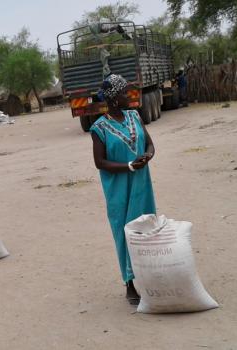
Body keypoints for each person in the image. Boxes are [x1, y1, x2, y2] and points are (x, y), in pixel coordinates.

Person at [90, 74, 156, 305]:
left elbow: (149, 142)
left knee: (146, 227)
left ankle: (149, 276)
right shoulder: (99, 128)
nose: (129, 96)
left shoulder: (134, 116)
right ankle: (130, 283)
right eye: (124, 92)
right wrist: (128, 165)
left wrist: (148, 154)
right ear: (114, 98)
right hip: (118, 189)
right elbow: (100, 162)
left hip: (141, 184)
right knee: (124, 233)